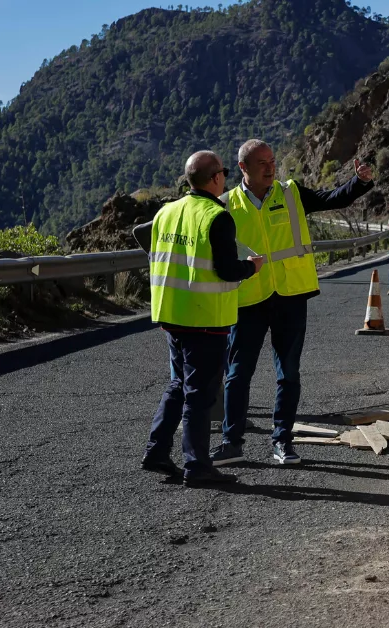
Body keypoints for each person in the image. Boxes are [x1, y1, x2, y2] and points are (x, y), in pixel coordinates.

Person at [212, 139, 374, 467]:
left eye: (272, 161)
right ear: (243, 168)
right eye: (262, 163)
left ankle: (282, 441)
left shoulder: (291, 192)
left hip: (289, 294)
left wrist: (359, 183)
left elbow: (332, 198)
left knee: (288, 372)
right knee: (237, 375)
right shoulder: (225, 205)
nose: (271, 167)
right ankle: (231, 443)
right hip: (247, 300)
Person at [139, 150, 263, 487]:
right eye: (223, 170)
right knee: (199, 394)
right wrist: (252, 267)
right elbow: (226, 270)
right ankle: (197, 465)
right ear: (215, 178)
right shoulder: (216, 216)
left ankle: (157, 450)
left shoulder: (167, 211)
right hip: (205, 318)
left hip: (171, 313)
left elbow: (141, 233)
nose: (224, 175)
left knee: (178, 385)